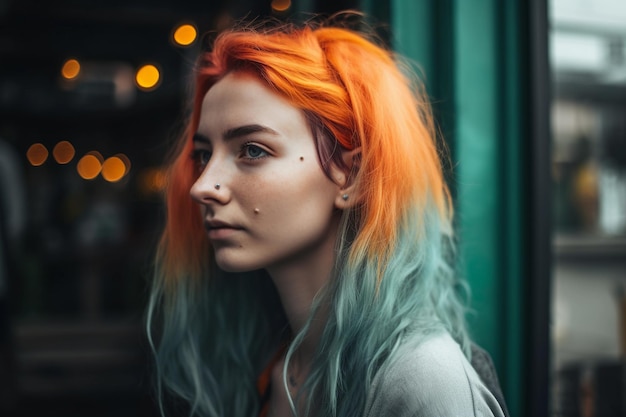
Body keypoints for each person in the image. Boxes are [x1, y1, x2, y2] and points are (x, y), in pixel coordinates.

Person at [146, 15, 507, 417]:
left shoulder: (422, 382)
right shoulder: (266, 367)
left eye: (252, 150)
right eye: (202, 155)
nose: (201, 186)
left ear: (351, 175)